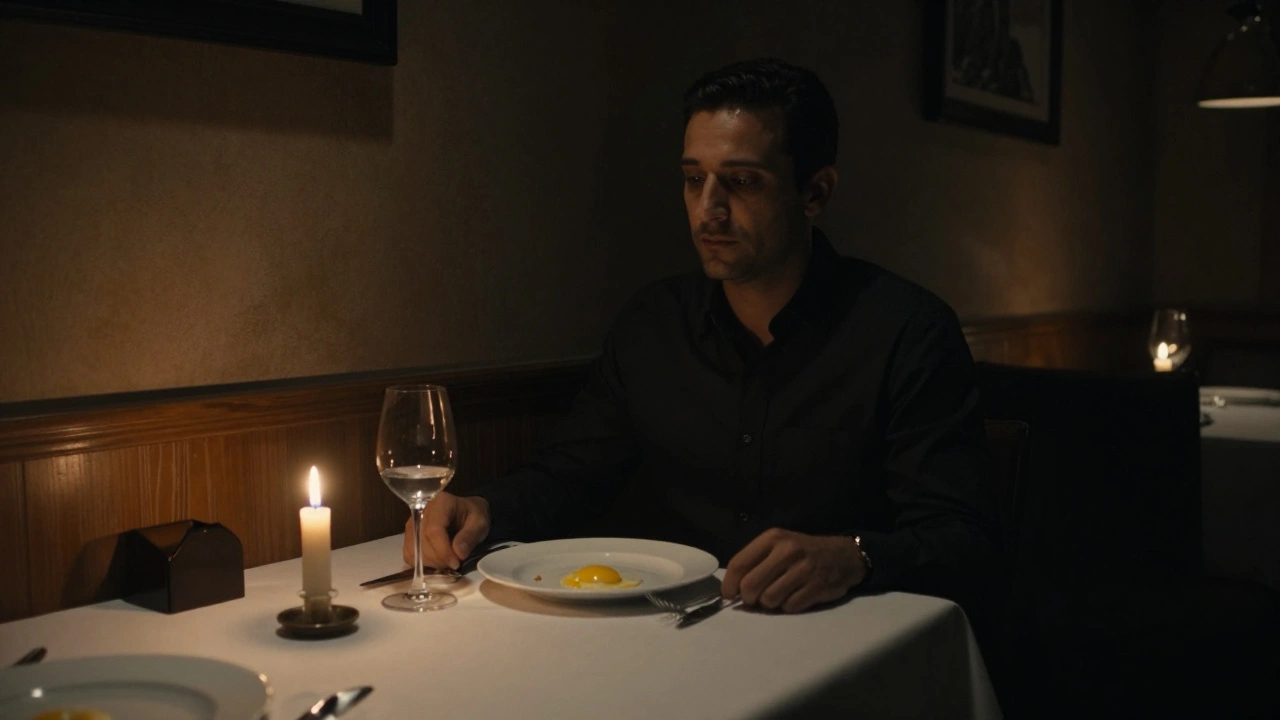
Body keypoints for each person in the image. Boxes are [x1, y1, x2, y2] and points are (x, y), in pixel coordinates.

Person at [405, 58, 999, 615]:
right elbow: (571, 476)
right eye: (694, 180)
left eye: (741, 182)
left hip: (841, 645)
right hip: (676, 635)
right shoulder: (654, 325)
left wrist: (855, 555)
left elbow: (962, 539)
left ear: (815, 192)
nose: (707, 210)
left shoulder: (905, 331)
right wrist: (483, 509)